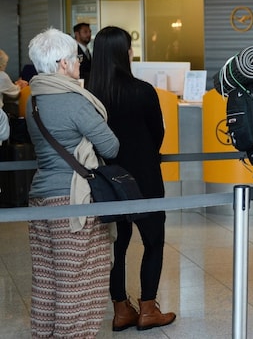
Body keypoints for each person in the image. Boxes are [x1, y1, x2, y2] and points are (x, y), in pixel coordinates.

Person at [24, 28, 120, 337]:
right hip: (73, 201)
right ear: (63, 64)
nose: (79, 62)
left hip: (40, 199)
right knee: (78, 282)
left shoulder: (34, 100)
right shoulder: (73, 101)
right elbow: (111, 147)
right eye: (76, 58)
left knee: (47, 279)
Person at [86, 26, 176, 332]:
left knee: (117, 245)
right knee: (153, 241)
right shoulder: (142, 91)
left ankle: (121, 310)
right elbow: (157, 134)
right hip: (144, 177)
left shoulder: (89, 96)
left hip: (107, 180)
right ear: (124, 53)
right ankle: (148, 309)